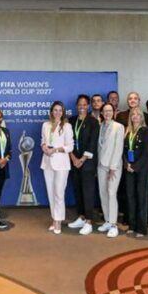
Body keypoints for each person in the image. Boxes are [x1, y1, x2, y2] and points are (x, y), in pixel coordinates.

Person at [67, 95, 100, 235]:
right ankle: (81, 217)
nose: (82, 106)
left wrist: (82, 160)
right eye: (79, 104)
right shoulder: (71, 120)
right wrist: (73, 158)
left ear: (88, 106)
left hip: (87, 162)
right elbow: (68, 141)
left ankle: (89, 221)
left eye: (85, 104)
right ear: (76, 105)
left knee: (88, 192)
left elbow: (93, 143)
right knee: (77, 190)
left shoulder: (93, 121)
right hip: (74, 161)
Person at [40, 101, 74, 234]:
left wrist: (56, 150)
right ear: (51, 112)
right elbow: (43, 140)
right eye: (55, 110)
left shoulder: (67, 126)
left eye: (60, 110)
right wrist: (44, 147)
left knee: (59, 193)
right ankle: (54, 218)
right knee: (50, 192)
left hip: (61, 164)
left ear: (63, 112)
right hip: (47, 162)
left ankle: (59, 221)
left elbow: (70, 146)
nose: (57, 112)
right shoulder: (45, 125)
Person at [96, 103, 124, 238]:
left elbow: (118, 148)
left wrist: (113, 167)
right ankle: (107, 220)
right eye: (105, 111)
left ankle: (114, 224)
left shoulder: (118, 127)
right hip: (101, 165)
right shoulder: (100, 126)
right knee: (103, 193)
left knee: (112, 193)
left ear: (114, 112)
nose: (107, 113)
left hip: (114, 166)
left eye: (110, 111)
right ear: (101, 112)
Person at [123, 107, 148, 237]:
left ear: (142, 117)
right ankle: (132, 225)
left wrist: (135, 166)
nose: (135, 116)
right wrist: (127, 164)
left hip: (142, 168)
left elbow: (146, 152)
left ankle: (141, 228)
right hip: (128, 168)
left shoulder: (146, 130)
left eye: (137, 114)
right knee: (130, 196)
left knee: (141, 197)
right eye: (132, 114)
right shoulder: (127, 131)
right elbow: (123, 150)